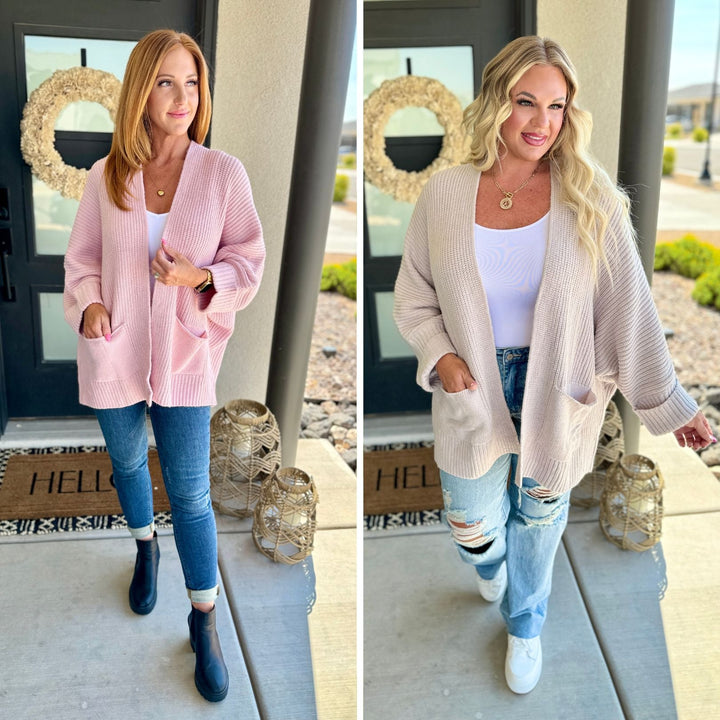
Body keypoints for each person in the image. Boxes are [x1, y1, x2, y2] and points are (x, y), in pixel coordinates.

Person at [393, 35, 714, 695]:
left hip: (560, 386)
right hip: (474, 385)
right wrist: (441, 356)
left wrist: (668, 402)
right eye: (525, 102)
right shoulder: (445, 194)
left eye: (557, 106)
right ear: (496, 103)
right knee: (471, 522)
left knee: (540, 518)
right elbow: (414, 297)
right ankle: (492, 567)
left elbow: (629, 307)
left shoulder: (589, 196)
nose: (541, 122)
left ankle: (526, 622)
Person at [64, 29, 265, 703]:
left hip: (185, 358)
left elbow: (248, 262)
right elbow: (81, 261)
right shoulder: (106, 175)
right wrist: (90, 305)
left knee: (192, 494)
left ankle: (204, 618)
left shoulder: (223, 174)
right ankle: (145, 546)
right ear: (141, 93)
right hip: (115, 352)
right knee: (127, 465)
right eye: (166, 82)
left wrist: (200, 275)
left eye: (193, 83)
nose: (183, 97)